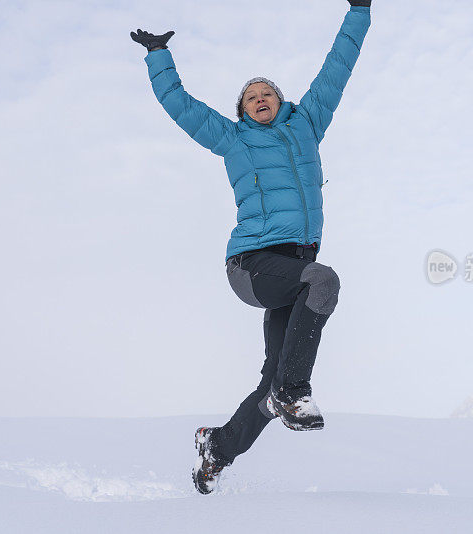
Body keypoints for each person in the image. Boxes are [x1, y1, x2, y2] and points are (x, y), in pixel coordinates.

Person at [131, 0, 371, 494]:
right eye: (250, 97)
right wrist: (158, 56)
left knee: (269, 385)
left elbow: (338, 66)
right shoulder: (232, 139)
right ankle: (296, 392)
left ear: (281, 101)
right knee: (323, 280)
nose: (259, 98)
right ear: (241, 110)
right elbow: (182, 107)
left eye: (267, 93)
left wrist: (360, 10)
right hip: (253, 264)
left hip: (294, 268)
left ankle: (218, 447)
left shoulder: (307, 124)